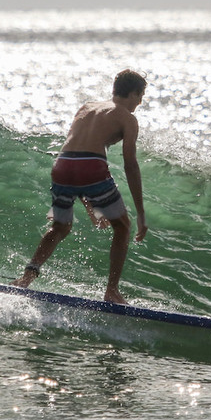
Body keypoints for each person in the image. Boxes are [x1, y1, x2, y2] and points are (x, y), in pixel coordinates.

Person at [11, 69, 148, 303]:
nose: (140, 102)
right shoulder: (127, 117)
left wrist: (90, 205)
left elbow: (76, 156)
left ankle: (26, 278)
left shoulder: (86, 108)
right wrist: (141, 214)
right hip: (90, 167)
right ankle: (112, 291)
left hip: (62, 165)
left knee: (60, 227)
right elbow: (130, 164)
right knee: (123, 226)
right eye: (140, 96)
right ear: (133, 93)